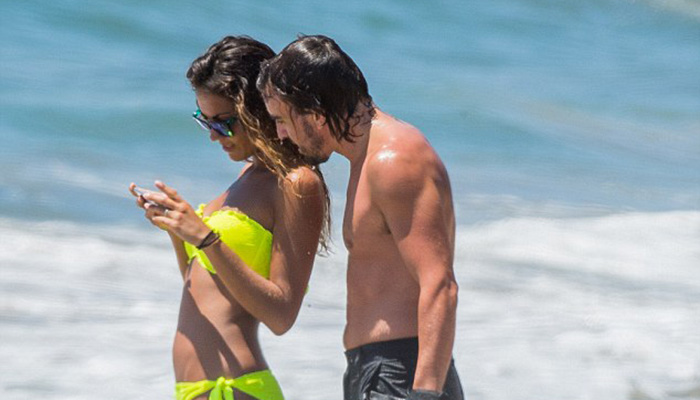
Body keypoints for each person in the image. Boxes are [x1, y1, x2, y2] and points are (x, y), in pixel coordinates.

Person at [257, 35, 464, 400]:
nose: (281, 134)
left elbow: (440, 284)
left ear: (315, 114)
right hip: (377, 369)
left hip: (402, 373)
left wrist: (425, 394)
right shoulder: (367, 157)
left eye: (282, 120)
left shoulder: (395, 161)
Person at [129, 36, 328, 400]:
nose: (213, 136)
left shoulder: (297, 182)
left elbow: (281, 315)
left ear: (259, 108)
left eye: (223, 123)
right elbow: (207, 292)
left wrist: (206, 239)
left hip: (236, 389)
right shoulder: (245, 178)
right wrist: (178, 233)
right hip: (193, 390)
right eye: (204, 122)